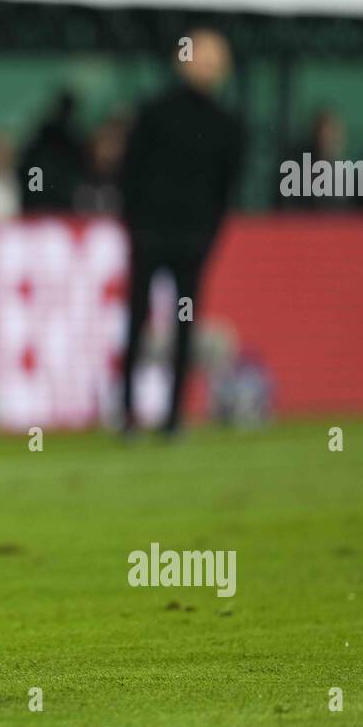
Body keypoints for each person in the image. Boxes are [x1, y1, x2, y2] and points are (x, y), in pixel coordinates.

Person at [119, 28, 243, 437]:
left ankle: (174, 415)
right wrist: (136, 227)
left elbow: (226, 190)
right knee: (137, 319)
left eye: (214, 58)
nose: (206, 65)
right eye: (200, 56)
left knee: (184, 324)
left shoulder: (226, 125)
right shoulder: (154, 113)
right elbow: (130, 175)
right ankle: (127, 412)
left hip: (192, 239)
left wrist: (208, 237)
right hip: (150, 234)